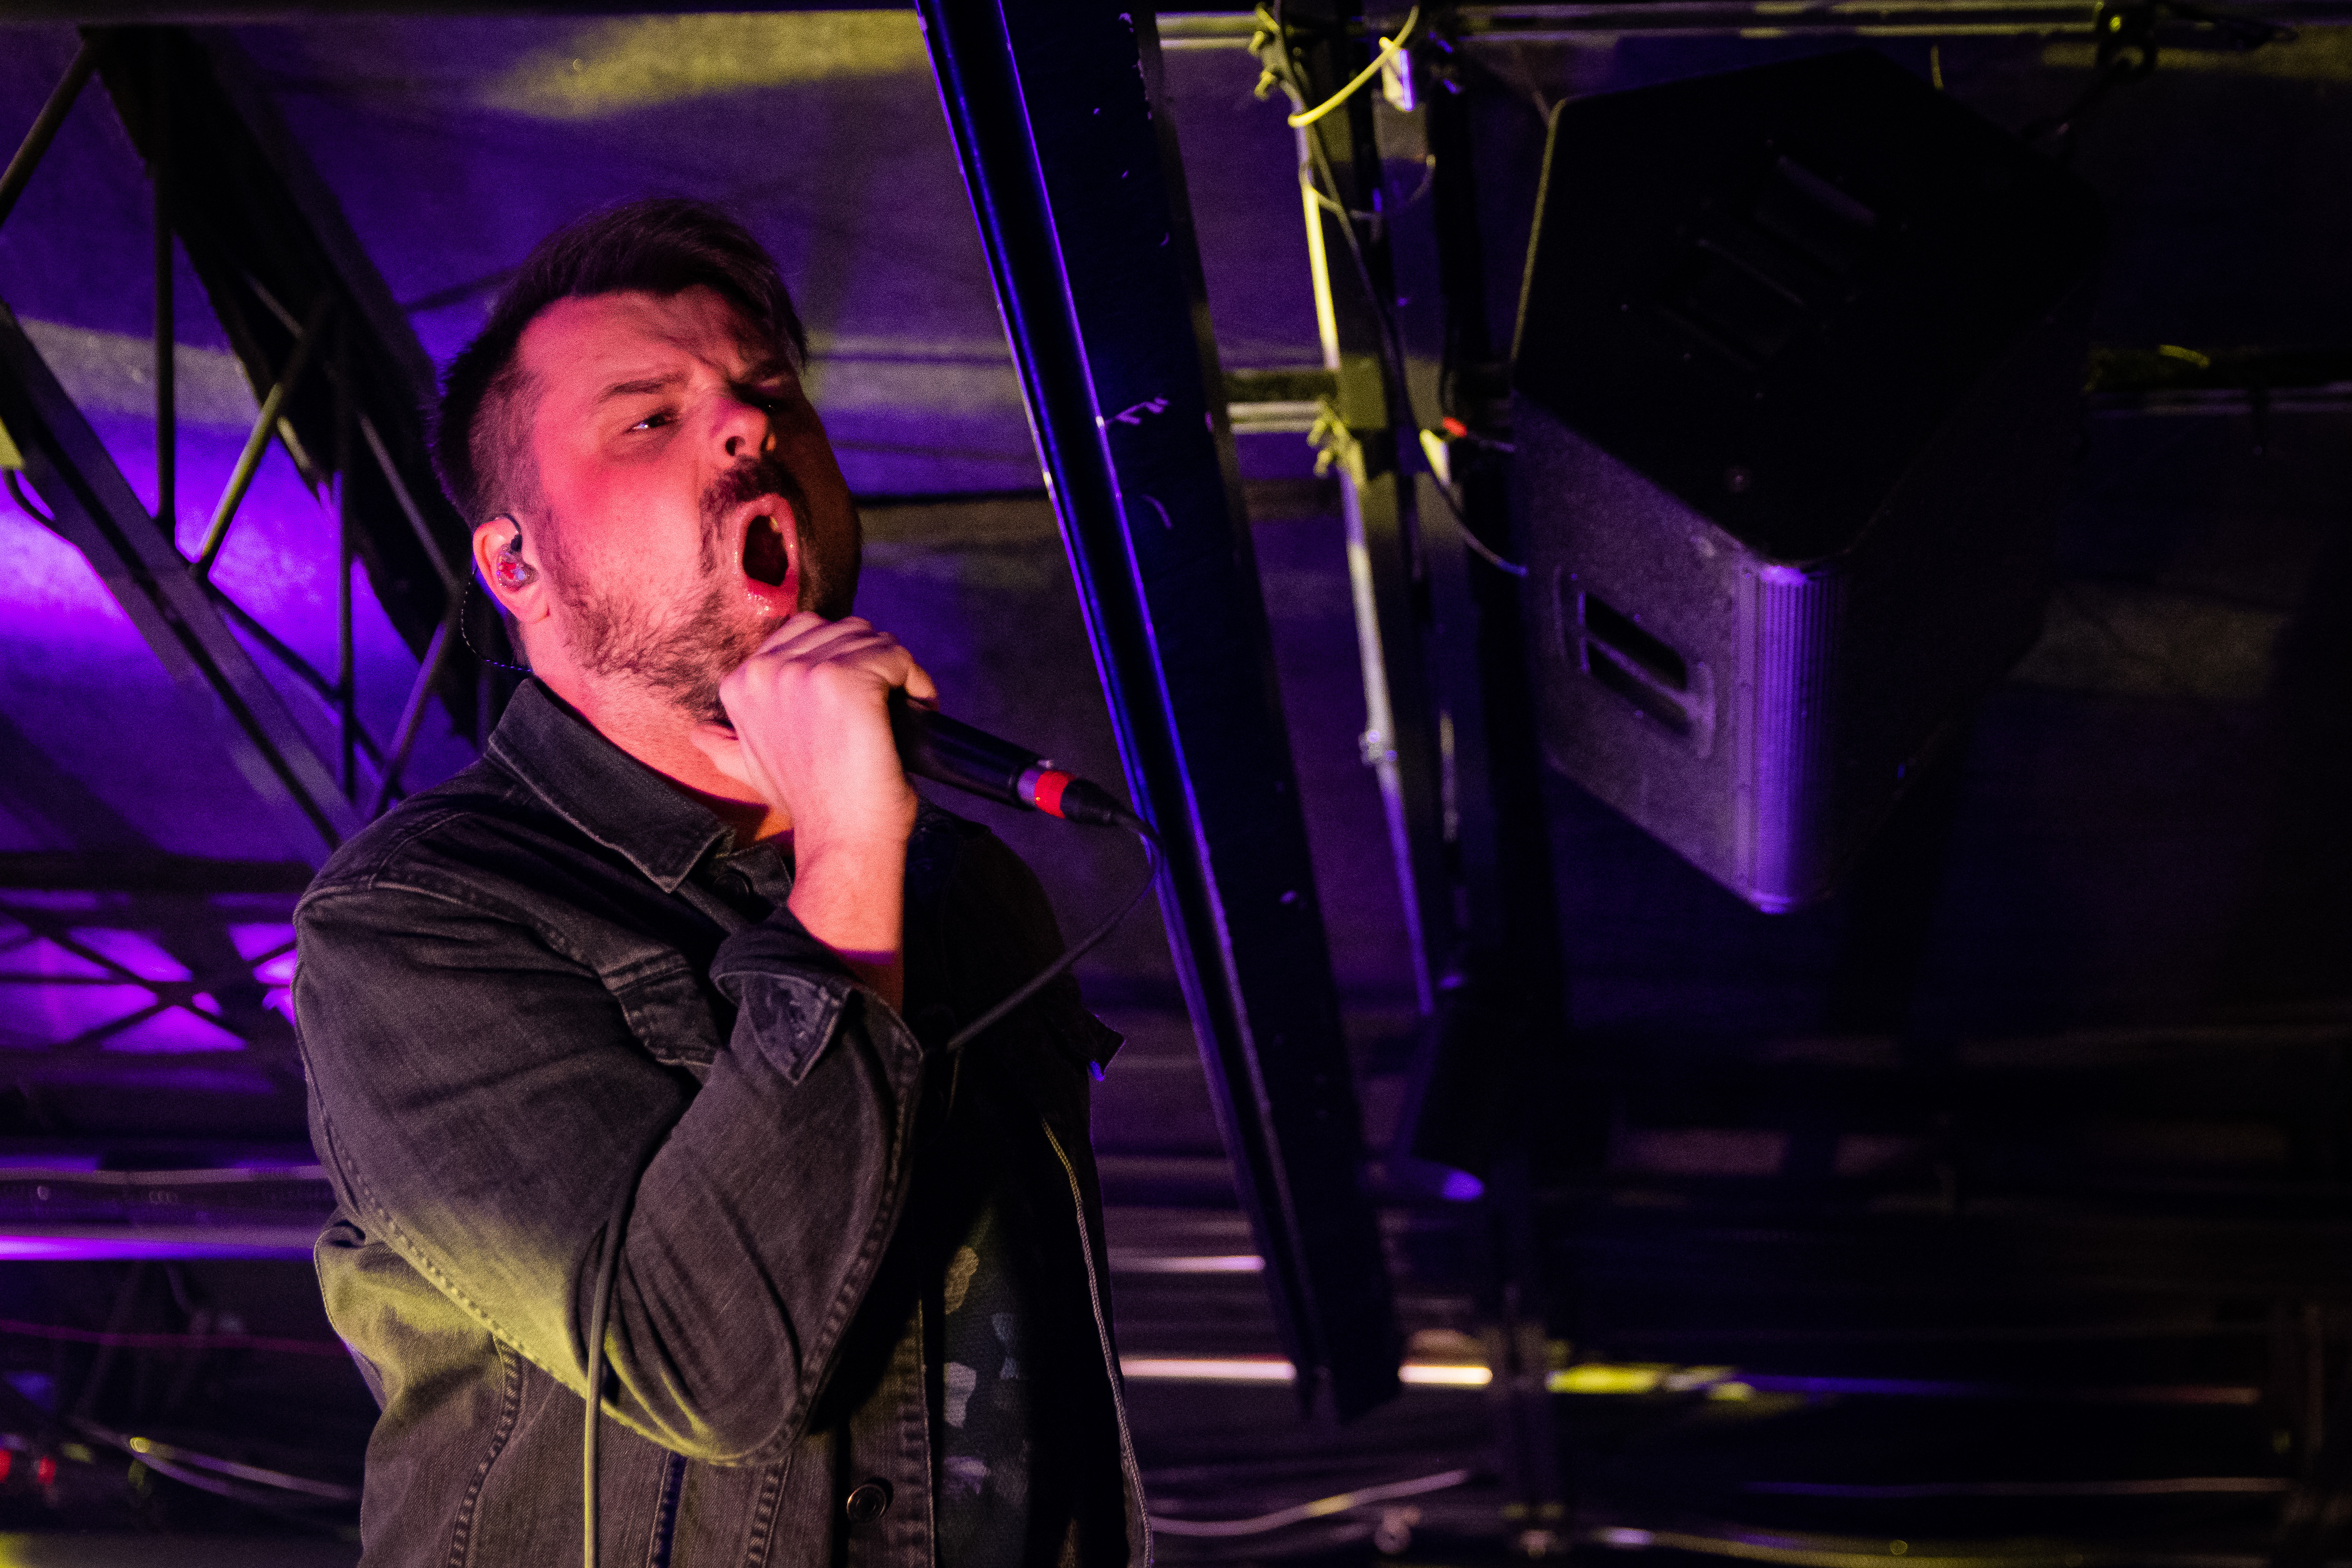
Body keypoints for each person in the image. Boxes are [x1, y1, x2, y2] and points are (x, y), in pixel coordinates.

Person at [292, 199, 1145, 1568]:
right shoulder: (421, 914)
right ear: (517, 562)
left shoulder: (970, 889)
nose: (749, 424)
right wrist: (848, 851)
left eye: (769, 395)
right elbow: (704, 1364)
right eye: (650, 416)